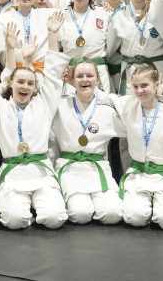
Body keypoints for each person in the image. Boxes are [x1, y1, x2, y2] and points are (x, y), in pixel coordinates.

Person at [0, 12, 69, 230]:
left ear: (35, 88)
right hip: (13, 175)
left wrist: (52, 34)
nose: (25, 86)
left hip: (41, 172)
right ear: (11, 83)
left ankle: (40, 207)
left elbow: (54, 73)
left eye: (29, 83)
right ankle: (25, 208)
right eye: (20, 82)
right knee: (14, 221)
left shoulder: (44, 104)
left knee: (54, 218)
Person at [116, 64, 163, 229]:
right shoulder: (129, 107)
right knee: (134, 217)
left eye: (144, 85)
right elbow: (104, 98)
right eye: (135, 86)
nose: (139, 90)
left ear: (157, 84)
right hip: (138, 175)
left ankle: (161, 204)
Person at [52, 58, 122, 225]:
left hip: (97, 169)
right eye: (80, 76)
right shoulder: (61, 104)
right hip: (70, 170)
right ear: (72, 80)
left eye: (90, 76)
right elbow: (47, 93)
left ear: (98, 79)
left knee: (113, 214)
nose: (85, 80)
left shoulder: (108, 108)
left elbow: (132, 119)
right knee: (80, 214)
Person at [57, 0, 113, 92]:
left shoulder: (104, 13)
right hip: (72, 73)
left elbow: (112, 46)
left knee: (100, 103)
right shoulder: (60, 15)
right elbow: (56, 50)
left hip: (98, 72)